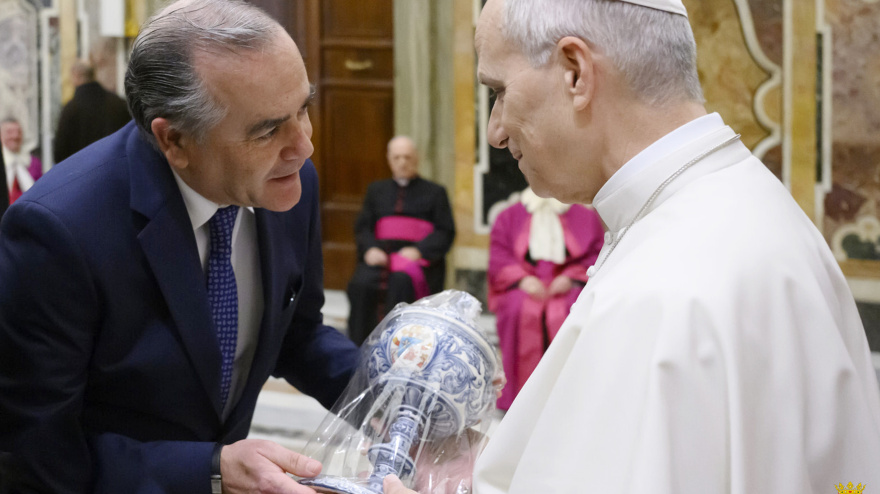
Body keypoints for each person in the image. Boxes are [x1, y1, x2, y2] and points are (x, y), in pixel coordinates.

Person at [386, 0, 880, 492]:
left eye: (498, 91)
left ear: (575, 72)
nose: (495, 131)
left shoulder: (658, 293)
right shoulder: (757, 205)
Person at [0, 1, 360, 493]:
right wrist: (208, 469)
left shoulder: (289, 181)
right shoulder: (59, 232)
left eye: (303, 109)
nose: (304, 146)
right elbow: (37, 451)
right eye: (268, 129)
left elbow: (296, 335)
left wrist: (400, 390)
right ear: (175, 142)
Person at [487, 187, 604, 410]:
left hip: (566, 283)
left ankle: (570, 393)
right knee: (516, 308)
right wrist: (522, 279)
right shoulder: (509, 216)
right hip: (526, 283)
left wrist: (571, 277)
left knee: (574, 307)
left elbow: (596, 252)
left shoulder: (584, 216)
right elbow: (499, 257)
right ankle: (519, 396)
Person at [346, 136, 455, 346]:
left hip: (415, 262)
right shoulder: (376, 190)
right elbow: (363, 227)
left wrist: (420, 251)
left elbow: (445, 231)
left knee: (401, 282)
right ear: (389, 160)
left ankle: (401, 348)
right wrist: (369, 249)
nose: (402, 162)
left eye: (407, 157)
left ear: (417, 159)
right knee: (360, 283)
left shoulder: (436, 192)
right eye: (397, 157)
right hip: (381, 258)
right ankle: (358, 347)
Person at [53, 59, 131, 163]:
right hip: (117, 170)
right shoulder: (119, 103)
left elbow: (60, 151)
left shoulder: (70, 109)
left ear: (75, 76)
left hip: (80, 173)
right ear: (94, 75)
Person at [1, 117, 43, 205]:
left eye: (19, 132)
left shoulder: (34, 163)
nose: (15, 136)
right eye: (10, 132)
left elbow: (40, 191)